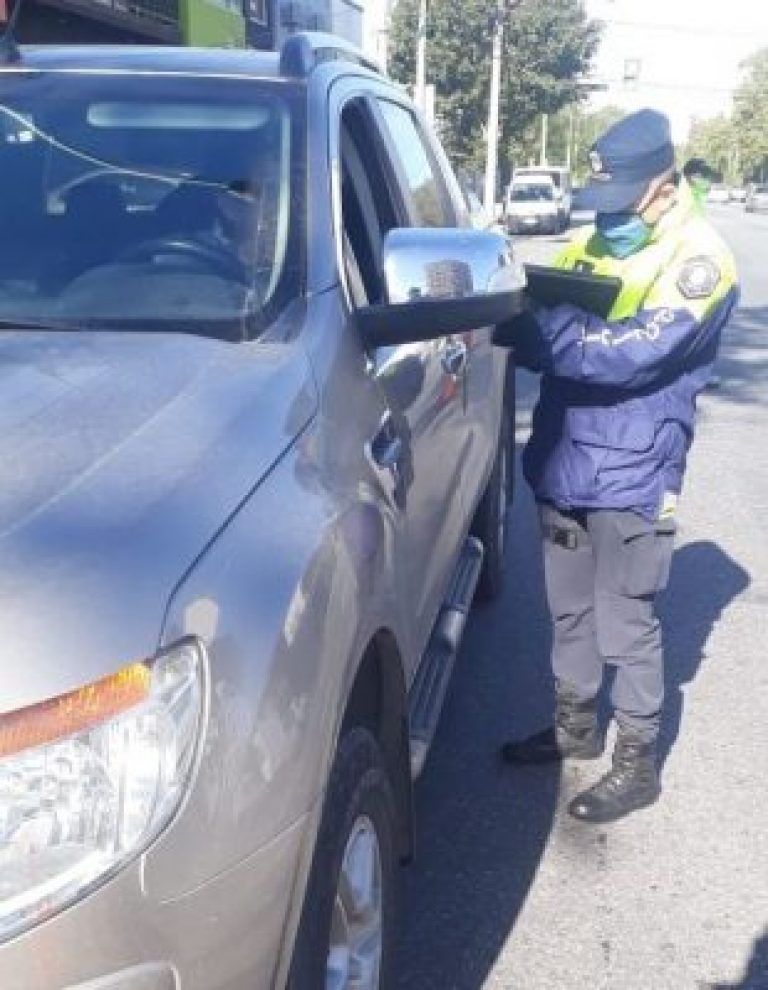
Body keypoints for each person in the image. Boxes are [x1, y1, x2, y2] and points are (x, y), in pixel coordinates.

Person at [498, 109, 739, 824]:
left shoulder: (699, 260)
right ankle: (574, 730)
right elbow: (546, 299)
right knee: (569, 610)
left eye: (620, 202)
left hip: (634, 469)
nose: (607, 218)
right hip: (565, 458)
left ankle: (636, 764)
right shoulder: (592, 239)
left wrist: (544, 333)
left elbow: (633, 352)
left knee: (625, 623)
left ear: (662, 187)